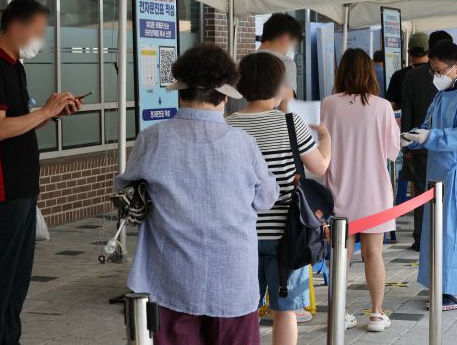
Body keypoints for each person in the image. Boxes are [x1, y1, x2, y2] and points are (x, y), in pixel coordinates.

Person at [116, 44, 280, 345]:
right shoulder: (243, 144)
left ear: (180, 93)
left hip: (171, 275)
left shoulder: (151, 138)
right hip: (233, 277)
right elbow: (265, 199)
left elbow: (126, 190)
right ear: (225, 96)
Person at [0, 0, 83, 345]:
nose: (40, 40)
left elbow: (19, 123)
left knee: (17, 281)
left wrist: (52, 113)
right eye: (38, 32)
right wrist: (45, 112)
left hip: (23, 189)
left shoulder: (14, 66)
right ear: (16, 25)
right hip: (2, 192)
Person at [226, 52, 331, 345]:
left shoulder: (228, 125)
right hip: (288, 236)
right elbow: (320, 167)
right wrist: (326, 138)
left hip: (241, 234)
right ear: (279, 86)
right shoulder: (290, 123)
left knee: (243, 311)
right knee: (285, 311)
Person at [402, 41, 457, 311]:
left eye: (439, 70)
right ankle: (448, 285)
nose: (435, 76)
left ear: (456, 67)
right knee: (439, 232)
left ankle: (454, 291)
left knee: (456, 233)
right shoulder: (443, 94)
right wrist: (412, 138)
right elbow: (428, 125)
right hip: (439, 174)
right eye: (433, 70)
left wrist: (430, 136)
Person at [322, 48, 400, 331]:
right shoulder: (382, 106)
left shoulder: (329, 104)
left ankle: (339, 314)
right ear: (370, 73)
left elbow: (323, 146)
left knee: (341, 254)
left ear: (341, 71)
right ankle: (377, 314)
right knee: (373, 253)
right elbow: (392, 151)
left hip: (338, 188)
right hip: (374, 190)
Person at [400, 31, 442, 251]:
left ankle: (421, 237)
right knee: (443, 191)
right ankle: (438, 235)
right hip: (442, 142)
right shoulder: (443, 76)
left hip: (418, 142)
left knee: (421, 191)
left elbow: (406, 112)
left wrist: (407, 144)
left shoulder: (411, 77)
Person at [226, 13, 302, 115]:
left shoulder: (239, 65)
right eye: (292, 44)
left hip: (235, 123)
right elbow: (287, 108)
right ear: (285, 38)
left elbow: (228, 108)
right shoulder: (285, 63)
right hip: (271, 125)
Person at [385, 32, 430, 110]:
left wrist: (404, 104)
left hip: (407, 117)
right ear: (429, 52)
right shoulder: (438, 73)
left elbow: (390, 105)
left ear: (408, 52)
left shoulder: (398, 75)